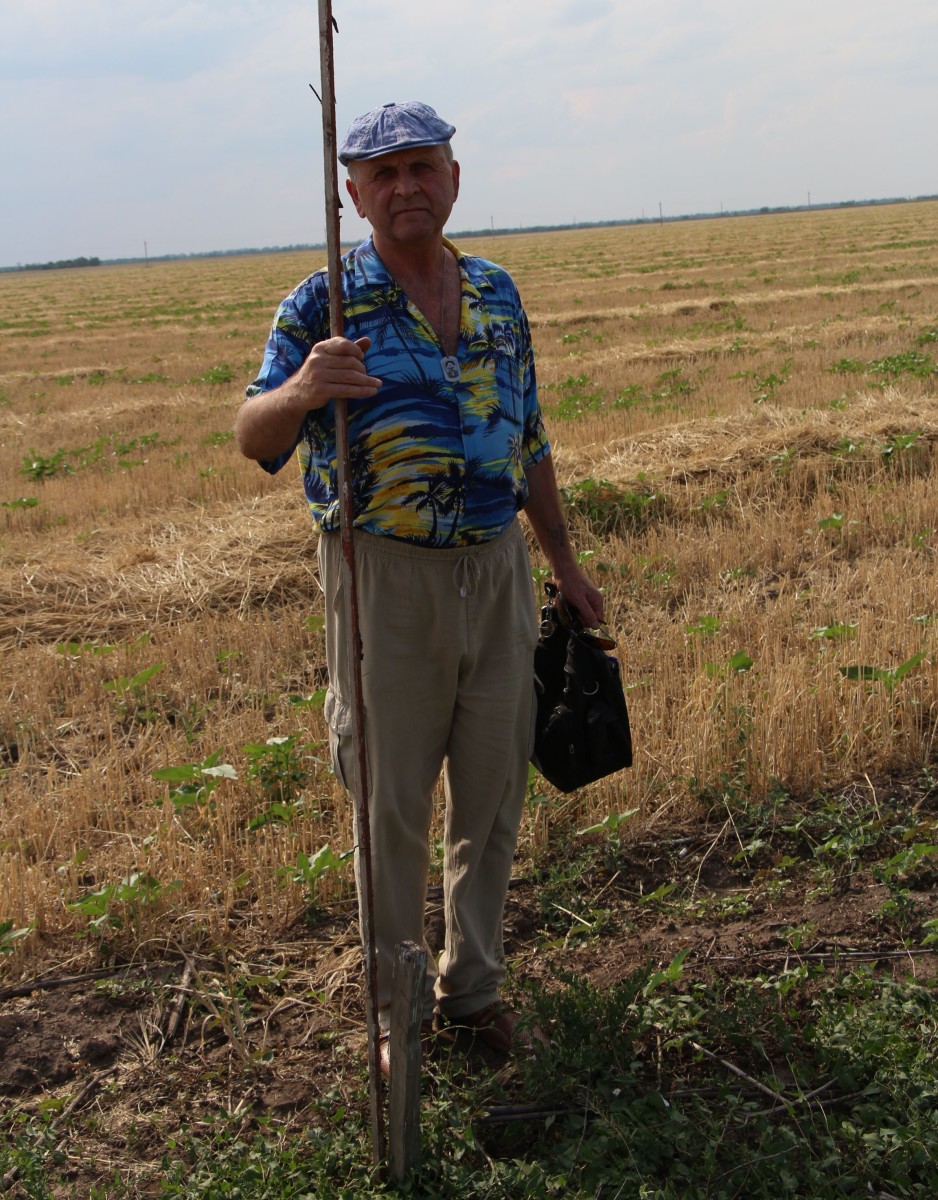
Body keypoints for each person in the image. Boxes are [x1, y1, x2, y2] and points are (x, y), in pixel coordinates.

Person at [235, 101, 604, 1075]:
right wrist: (305, 390)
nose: (404, 187)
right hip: (380, 574)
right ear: (353, 194)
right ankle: (397, 1012)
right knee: (388, 807)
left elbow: (529, 438)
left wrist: (562, 563)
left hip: (497, 570)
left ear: (452, 177)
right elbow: (254, 437)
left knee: (490, 793)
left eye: (420, 167)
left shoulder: (493, 291)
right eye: (382, 173)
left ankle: (471, 987)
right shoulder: (323, 307)